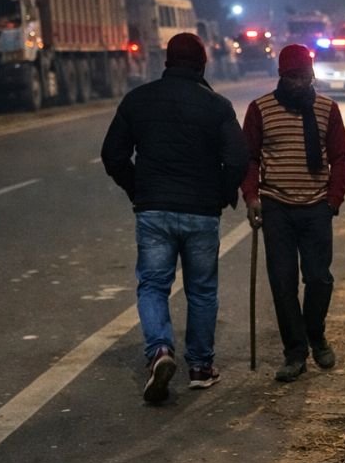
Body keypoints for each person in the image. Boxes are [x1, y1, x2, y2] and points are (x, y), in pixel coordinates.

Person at [101, 32, 247, 404]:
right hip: (201, 212)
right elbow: (237, 160)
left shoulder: (138, 100)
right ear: (201, 64)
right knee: (201, 290)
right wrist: (222, 194)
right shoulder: (217, 106)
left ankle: (160, 352)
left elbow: (113, 154)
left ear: (167, 61)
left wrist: (138, 190)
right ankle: (199, 367)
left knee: (152, 286)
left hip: (154, 210)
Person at [242, 44, 345, 382]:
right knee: (282, 282)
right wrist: (251, 196)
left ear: (312, 75)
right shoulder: (260, 109)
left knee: (319, 278)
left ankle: (316, 336)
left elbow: (340, 158)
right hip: (276, 207)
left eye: (305, 76)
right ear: (282, 76)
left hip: (317, 207)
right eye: (293, 77)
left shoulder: (327, 109)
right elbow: (250, 157)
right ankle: (295, 353)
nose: (300, 83)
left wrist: (333, 199)